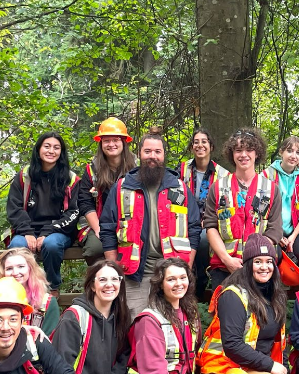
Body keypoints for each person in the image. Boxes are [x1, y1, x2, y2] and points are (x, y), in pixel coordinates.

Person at [197, 233, 294, 374]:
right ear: (248, 264)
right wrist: (271, 367)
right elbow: (232, 346)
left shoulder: (275, 295)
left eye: (269, 262)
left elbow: (279, 342)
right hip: (224, 364)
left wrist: (283, 370)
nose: (264, 267)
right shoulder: (233, 295)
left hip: (253, 366)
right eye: (258, 261)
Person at [100, 128, 201, 317]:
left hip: (172, 272)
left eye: (157, 152)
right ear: (139, 154)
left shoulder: (179, 187)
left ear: (164, 155)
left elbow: (194, 229)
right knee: (134, 326)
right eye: (147, 151)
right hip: (134, 274)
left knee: (172, 327)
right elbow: (107, 228)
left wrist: (186, 266)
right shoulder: (123, 187)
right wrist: (114, 268)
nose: (152, 156)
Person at [125, 258, 214, 374]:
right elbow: (153, 368)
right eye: (171, 279)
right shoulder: (149, 320)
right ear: (160, 284)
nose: (178, 283)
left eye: (183, 278)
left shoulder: (189, 312)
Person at [203, 128, 282, 290]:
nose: (243, 155)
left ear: (257, 153)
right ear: (231, 154)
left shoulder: (271, 189)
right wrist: (227, 260)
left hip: (260, 270)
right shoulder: (217, 188)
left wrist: (253, 259)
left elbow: (275, 230)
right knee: (225, 314)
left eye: (249, 150)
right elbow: (210, 227)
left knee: (259, 314)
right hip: (224, 267)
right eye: (238, 150)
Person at [5, 132, 84, 294]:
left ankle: (52, 287)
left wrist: (48, 232)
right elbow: (14, 207)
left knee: (51, 245)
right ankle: (20, 290)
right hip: (27, 230)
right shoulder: (24, 176)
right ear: (38, 149)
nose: (51, 151)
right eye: (46, 146)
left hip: (58, 230)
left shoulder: (71, 179)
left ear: (61, 152)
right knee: (16, 246)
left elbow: (74, 212)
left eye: (56, 148)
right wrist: (27, 232)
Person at [76, 118, 136, 266]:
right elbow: (85, 202)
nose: (111, 144)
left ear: (124, 142)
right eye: (106, 141)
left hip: (131, 222)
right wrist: (98, 229)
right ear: (100, 144)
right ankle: (99, 283)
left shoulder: (136, 167)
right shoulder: (92, 170)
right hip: (99, 223)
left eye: (115, 140)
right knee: (95, 249)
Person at [0, 249, 61, 338]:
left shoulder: (47, 302)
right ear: (3, 272)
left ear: (30, 269)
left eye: (21, 267)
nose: (15, 272)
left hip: (35, 355)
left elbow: (50, 339)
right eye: (9, 268)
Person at [178, 128, 230, 295]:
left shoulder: (223, 175)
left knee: (202, 241)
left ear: (211, 146)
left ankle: (200, 285)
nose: (200, 145)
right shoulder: (181, 170)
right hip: (183, 220)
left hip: (209, 223)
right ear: (192, 147)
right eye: (196, 142)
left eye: (204, 141)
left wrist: (208, 220)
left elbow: (225, 206)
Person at [262, 136, 299, 269]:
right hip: (270, 228)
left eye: (298, 152)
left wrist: (292, 237)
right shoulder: (267, 175)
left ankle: (293, 286)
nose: (293, 156)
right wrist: (276, 234)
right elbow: (261, 209)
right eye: (289, 151)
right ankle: (271, 286)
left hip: (294, 229)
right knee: (273, 255)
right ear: (281, 152)